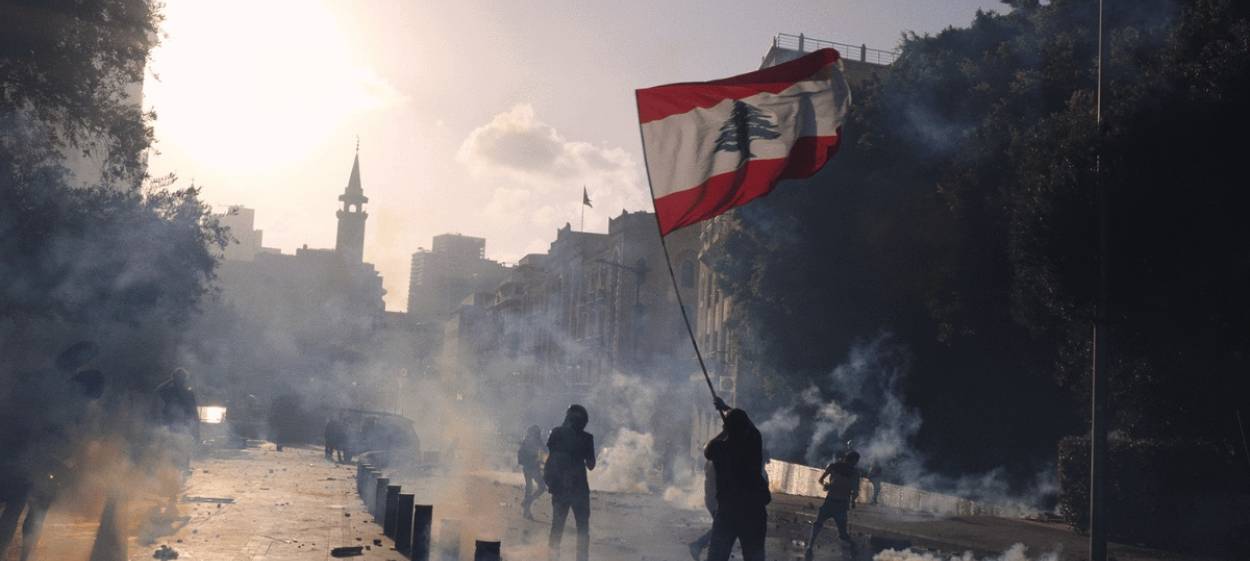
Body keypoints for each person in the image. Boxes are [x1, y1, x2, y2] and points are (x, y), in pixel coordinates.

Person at [704, 397, 770, 561]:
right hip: (754, 510)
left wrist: (726, 429)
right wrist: (727, 409)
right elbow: (751, 428)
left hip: (728, 511)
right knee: (754, 556)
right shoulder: (753, 445)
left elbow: (707, 450)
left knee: (717, 557)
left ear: (726, 428)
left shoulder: (719, 449)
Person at [544, 405, 595, 561]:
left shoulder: (557, 433)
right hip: (580, 489)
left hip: (560, 488)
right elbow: (591, 465)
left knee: (557, 528)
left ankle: (552, 558)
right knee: (582, 529)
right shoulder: (587, 438)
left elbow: (551, 453)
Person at [805, 450, 860, 559]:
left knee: (819, 524)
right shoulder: (854, 473)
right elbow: (855, 491)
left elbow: (821, 480)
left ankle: (810, 546)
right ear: (854, 461)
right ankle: (810, 547)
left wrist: (827, 485)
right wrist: (852, 500)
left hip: (832, 502)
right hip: (839, 504)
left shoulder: (835, 467)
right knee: (841, 533)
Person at [157, 368, 200, 470]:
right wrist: (170, 380)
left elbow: (194, 412)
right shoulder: (169, 392)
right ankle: (171, 470)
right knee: (171, 448)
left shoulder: (188, 393)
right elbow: (158, 390)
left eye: (182, 378)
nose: (180, 381)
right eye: (178, 378)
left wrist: (197, 430)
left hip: (184, 425)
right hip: (171, 424)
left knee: (184, 447)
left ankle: (183, 468)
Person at [687, 459, 717, 560]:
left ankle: (699, 546)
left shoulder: (715, 458)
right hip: (717, 501)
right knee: (723, 528)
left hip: (713, 499)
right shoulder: (720, 460)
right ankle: (698, 545)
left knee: (723, 528)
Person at [518, 424, 547, 520]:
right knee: (541, 487)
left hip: (528, 468)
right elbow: (544, 450)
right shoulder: (535, 441)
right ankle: (527, 503)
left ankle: (526, 511)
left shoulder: (526, 440)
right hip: (533, 467)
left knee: (529, 488)